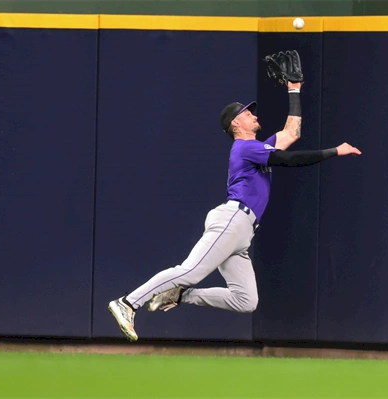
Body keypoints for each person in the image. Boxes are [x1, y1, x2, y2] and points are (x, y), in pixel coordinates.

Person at [108, 80, 361, 342]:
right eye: (248, 114)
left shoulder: (257, 148)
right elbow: (289, 159)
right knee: (190, 271)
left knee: (246, 300)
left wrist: (294, 89)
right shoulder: (245, 148)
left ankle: (182, 295)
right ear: (235, 124)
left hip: (243, 232)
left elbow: (291, 133)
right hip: (233, 219)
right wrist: (335, 151)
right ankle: (128, 302)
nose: (254, 116)